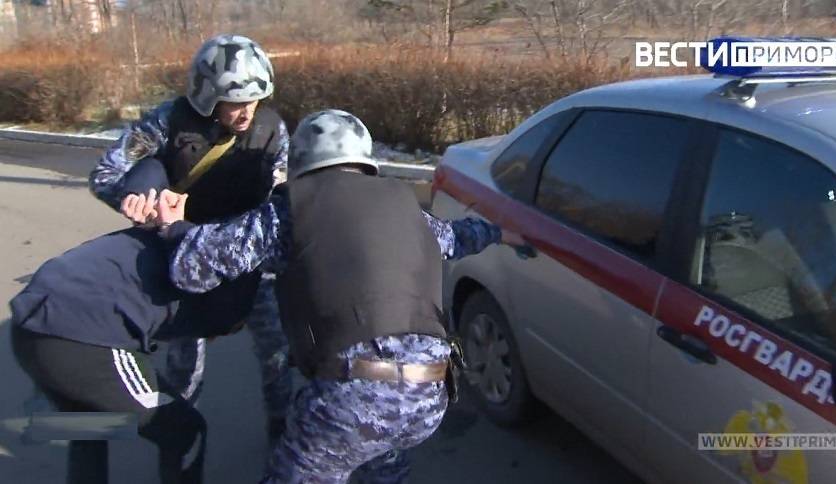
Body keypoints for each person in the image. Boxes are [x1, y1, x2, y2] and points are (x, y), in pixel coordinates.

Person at [157, 110, 526, 483]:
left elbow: (191, 269)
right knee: (383, 462)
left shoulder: (290, 211)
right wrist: (501, 233)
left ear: (302, 161)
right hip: (430, 395)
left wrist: (173, 227)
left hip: (353, 399)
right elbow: (458, 237)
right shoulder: (405, 206)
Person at [88, 34, 293, 440]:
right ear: (207, 97)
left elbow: (280, 195)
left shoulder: (272, 130)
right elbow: (105, 175)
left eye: (255, 100)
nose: (247, 112)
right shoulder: (168, 122)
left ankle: (281, 427)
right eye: (235, 102)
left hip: (244, 253)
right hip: (185, 253)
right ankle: (179, 436)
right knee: (185, 362)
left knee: (276, 351)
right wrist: (136, 201)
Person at [9, 186, 257, 484]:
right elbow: (216, 315)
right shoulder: (220, 290)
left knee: (90, 425)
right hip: (82, 341)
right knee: (185, 430)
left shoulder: (176, 238)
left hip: (28, 324)